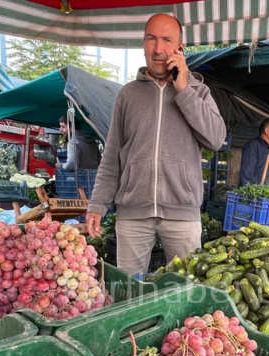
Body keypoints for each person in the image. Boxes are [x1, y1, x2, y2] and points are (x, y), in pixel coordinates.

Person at [86, 13, 227, 277]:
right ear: (143, 44)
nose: (158, 49)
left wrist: (184, 90)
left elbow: (216, 138)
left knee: (186, 291)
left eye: (166, 40)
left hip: (183, 214)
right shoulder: (128, 95)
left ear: (180, 48)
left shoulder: (199, 91)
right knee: (129, 291)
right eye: (151, 39)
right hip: (132, 214)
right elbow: (112, 155)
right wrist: (97, 204)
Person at [239, 118, 269, 188]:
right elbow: (246, 177)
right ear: (267, 131)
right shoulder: (253, 146)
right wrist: (253, 196)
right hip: (258, 196)